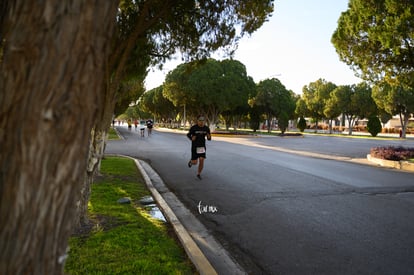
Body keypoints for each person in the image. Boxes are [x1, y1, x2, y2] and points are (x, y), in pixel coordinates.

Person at [187, 115, 211, 179]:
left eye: (203, 121)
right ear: (197, 121)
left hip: (202, 147)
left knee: (201, 160)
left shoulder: (206, 128)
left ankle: (198, 173)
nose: (201, 122)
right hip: (195, 147)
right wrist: (191, 138)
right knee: (195, 163)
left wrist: (209, 136)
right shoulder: (194, 128)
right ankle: (191, 161)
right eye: (200, 120)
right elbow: (188, 134)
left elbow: (209, 138)